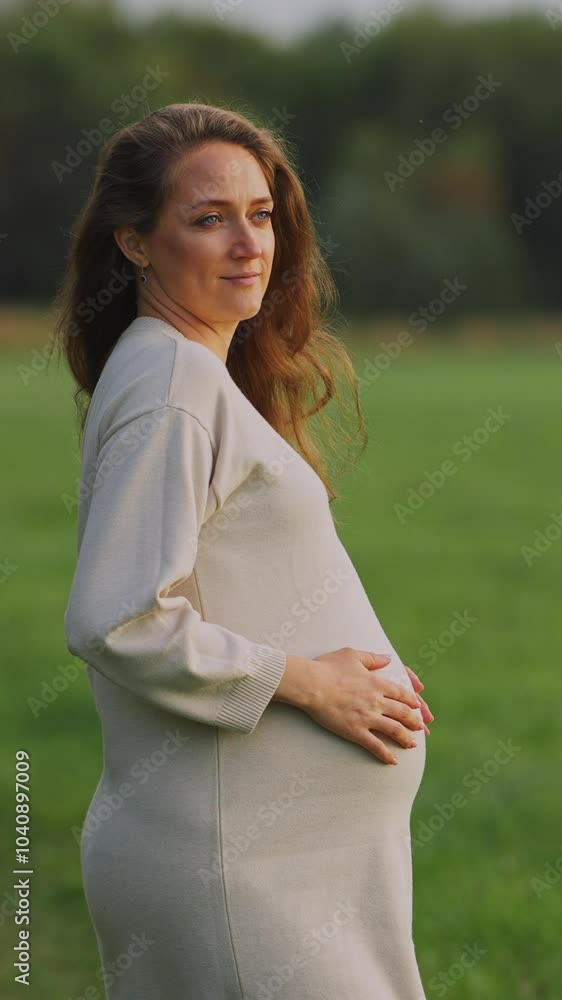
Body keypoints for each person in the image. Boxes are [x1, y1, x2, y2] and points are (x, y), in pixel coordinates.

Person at [56, 102, 434, 1000]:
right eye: (208, 219)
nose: (247, 243)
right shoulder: (174, 385)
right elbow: (117, 619)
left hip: (274, 863)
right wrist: (316, 683)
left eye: (259, 215)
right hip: (241, 871)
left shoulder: (182, 370)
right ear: (136, 244)